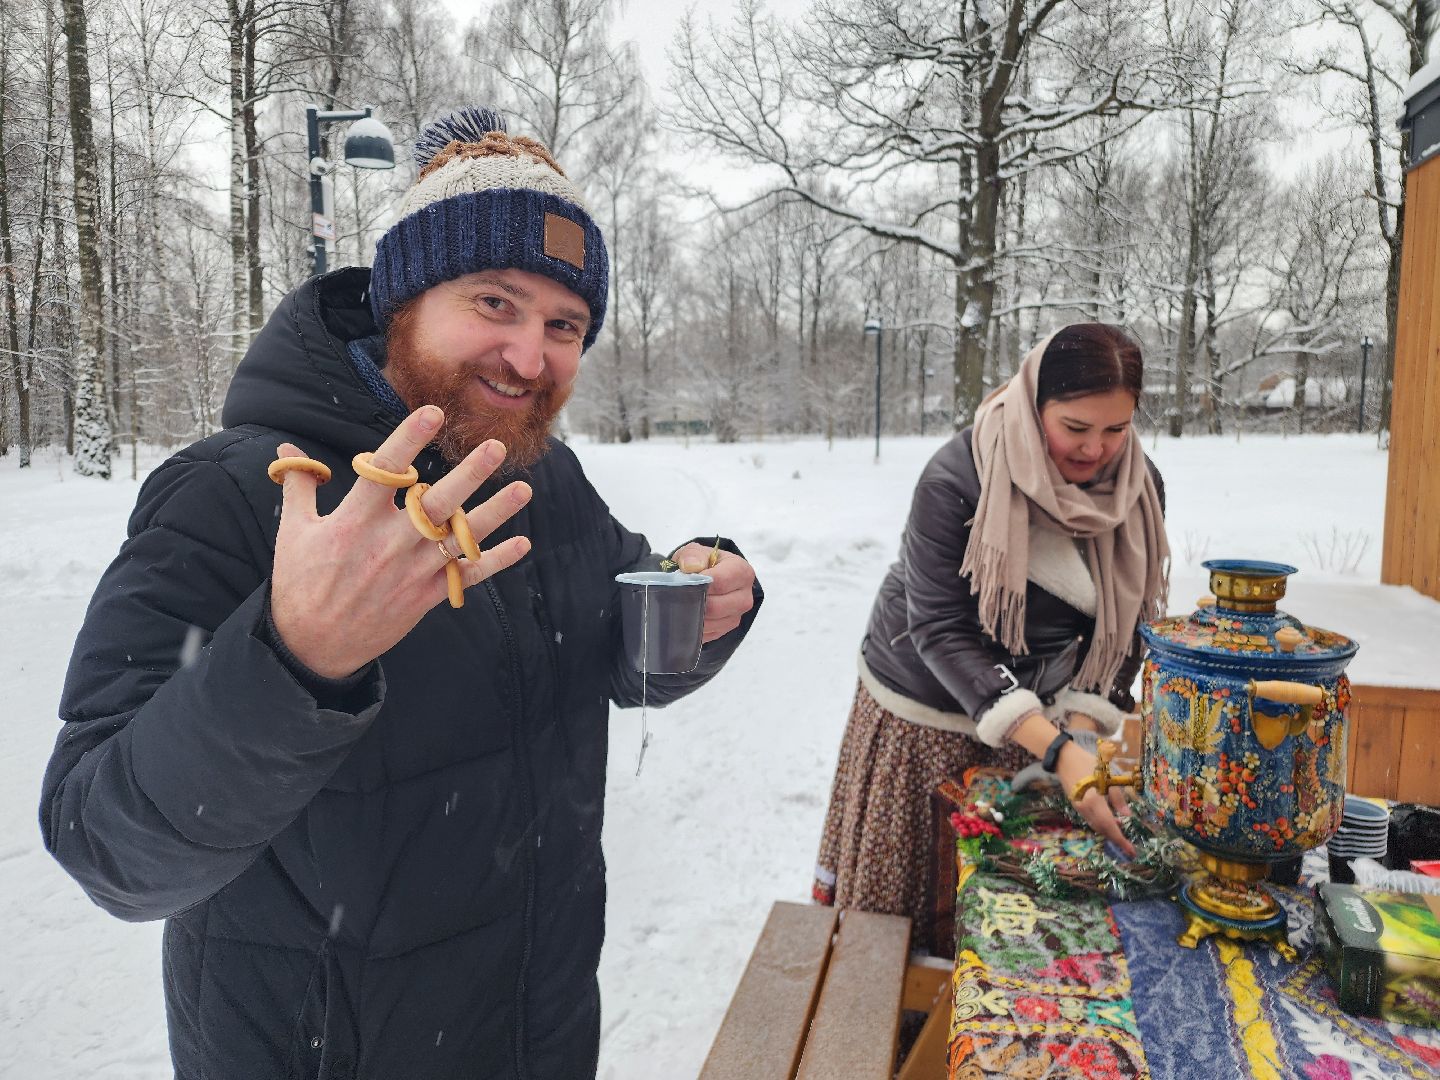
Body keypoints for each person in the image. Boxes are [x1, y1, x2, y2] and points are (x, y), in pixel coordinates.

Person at [39, 107, 761, 1080]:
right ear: (403, 299)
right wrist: (294, 659)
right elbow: (104, 846)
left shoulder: (543, 481)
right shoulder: (241, 493)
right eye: (495, 303)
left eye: (564, 325)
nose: (530, 356)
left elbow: (615, 650)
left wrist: (700, 599)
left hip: (538, 1027)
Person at [813, 323, 1168, 955]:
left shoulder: (1138, 490)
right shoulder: (957, 479)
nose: (1097, 449)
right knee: (908, 924)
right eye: (1076, 428)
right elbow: (938, 628)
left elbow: (1127, 619)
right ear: (1035, 404)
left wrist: (1082, 732)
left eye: (1116, 429)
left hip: (1043, 716)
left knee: (1015, 920)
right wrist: (1057, 750)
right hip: (926, 710)